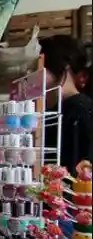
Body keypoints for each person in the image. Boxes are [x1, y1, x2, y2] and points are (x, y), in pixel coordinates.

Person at [40, 35, 93, 171]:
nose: (34, 74)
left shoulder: (80, 110)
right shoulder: (52, 110)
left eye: (41, 66)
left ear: (65, 67)